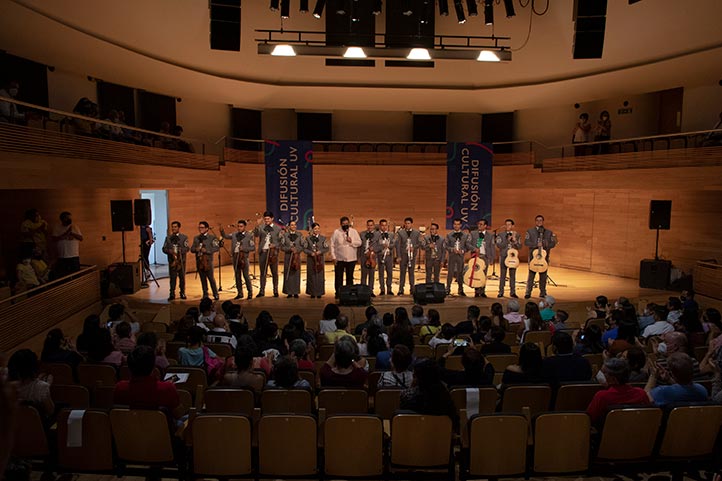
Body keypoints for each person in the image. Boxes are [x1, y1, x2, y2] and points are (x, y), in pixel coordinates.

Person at [113, 345, 184, 420]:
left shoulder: (119, 388)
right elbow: (179, 414)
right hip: (161, 431)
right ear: (153, 366)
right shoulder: (167, 388)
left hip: (128, 430)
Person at [586, 357, 650, 425]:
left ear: (613, 379)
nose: (601, 374)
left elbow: (589, 419)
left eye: (604, 372)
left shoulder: (601, 396)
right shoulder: (641, 394)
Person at [8, 349, 54, 419]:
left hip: (15, 427)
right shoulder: (42, 387)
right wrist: (47, 386)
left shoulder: (7, 388)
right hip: (38, 428)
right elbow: (50, 411)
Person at [524, 215, 557, 299]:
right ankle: (528, 292)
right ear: (535, 222)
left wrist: (545, 244)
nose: (539, 222)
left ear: (543, 221)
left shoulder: (548, 232)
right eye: (537, 220)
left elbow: (553, 243)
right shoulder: (530, 231)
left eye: (541, 220)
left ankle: (543, 292)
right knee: (531, 276)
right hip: (533, 257)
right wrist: (536, 244)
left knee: (543, 276)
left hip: (544, 258)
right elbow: (526, 242)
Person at [220, 220, 254, 300]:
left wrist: (244, 248)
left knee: (246, 276)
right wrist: (221, 231)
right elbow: (225, 236)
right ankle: (240, 293)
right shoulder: (234, 234)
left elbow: (252, 248)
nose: (239, 228)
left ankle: (250, 292)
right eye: (238, 226)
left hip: (244, 258)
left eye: (241, 226)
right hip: (235, 258)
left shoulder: (249, 235)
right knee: (237, 276)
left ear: (245, 227)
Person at [330, 216, 362, 298]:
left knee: (350, 277)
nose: (345, 225)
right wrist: (333, 257)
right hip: (339, 258)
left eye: (346, 223)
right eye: (343, 224)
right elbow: (332, 245)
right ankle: (338, 293)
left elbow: (359, 243)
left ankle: (348, 293)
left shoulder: (354, 231)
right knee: (338, 277)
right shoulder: (336, 232)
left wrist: (352, 241)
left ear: (349, 224)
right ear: (340, 224)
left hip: (351, 259)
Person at [253, 211, 283, 297]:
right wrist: (257, 225)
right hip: (263, 252)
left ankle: (275, 290)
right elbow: (256, 235)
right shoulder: (261, 227)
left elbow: (281, 241)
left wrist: (275, 245)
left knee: (274, 272)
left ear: (272, 219)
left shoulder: (278, 228)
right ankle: (262, 291)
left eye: (268, 219)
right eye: (265, 219)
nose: (266, 220)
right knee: (263, 273)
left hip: (273, 253)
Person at [191, 221, 220, 300]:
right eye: (199, 227)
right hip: (199, 261)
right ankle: (205, 294)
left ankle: (215, 293)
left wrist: (207, 250)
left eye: (202, 227)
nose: (200, 229)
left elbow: (216, 248)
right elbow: (192, 249)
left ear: (207, 228)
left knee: (211, 278)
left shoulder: (212, 238)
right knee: (202, 279)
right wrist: (196, 249)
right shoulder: (196, 238)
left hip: (208, 262)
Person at [162, 220, 189, 301]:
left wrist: (181, 250)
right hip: (172, 262)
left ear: (179, 228)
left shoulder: (184, 237)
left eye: (175, 227)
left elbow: (187, 248)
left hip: (181, 261)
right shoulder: (168, 238)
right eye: (172, 227)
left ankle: (182, 292)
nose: (173, 228)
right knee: (173, 278)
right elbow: (164, 248)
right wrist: (168, 251)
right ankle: (172, 293)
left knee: (182, 277)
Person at [51, 211, 83, 278]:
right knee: (63, 275)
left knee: (76, 275)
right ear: (62, 219)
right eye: (67, 218)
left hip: (74, 255)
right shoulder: (57, 227)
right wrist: (65, 234)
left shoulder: (74, 226)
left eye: (70, 218)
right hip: (62, 256)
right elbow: (53, 239)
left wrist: (72, 233)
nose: (70, 220)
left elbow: (81, 238)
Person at [468, 219, 495, 298]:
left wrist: (492, 259)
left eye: (481, 224)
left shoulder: (490, 235)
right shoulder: (473, 233)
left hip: (485, 257)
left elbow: (492, 247)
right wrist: (474, 249)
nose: (479, 225)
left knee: (484, 274)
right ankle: (476, 291)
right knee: (476, 273)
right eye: (478, 224)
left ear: (485, 226)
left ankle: (482, 291)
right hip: (476, 256)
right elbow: (468, 244)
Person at [445, 218, 472, 296]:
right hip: (452, 256)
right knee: (450, 273)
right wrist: (452, 249)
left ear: (460, 225)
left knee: (460, 273)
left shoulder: (465, 235)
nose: (456, 226)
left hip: (460, 256)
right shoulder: (449, 235)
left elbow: (467, 246)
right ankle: (448, 289)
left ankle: (460, 289)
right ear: (453, 225)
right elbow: (446, 246)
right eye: (455, 224)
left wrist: (462, 251)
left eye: (458, 224)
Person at [395, 217, 421, 296]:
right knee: (402, 273)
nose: (407, 225)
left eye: (408, 223)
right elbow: (398, 245)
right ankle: (401, 289)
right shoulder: (400, 233)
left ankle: (412, 289)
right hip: (403, 255)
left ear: (411, 224)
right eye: (406, 223)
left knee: (411, 273)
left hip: (412, 255)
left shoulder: (416, 233)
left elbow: (419, 243)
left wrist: (414, 247)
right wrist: (398, 256)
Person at [496, 218, 521, 298]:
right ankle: (501, 292)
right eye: (506, 225)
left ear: (513, 226)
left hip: (513, 258)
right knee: (503, 275)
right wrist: (507, 241)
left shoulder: (517, 235)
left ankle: (512, 292)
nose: (507, 226)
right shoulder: (500, 235)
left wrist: (515, 241)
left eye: (509, 225)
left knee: (512, 275)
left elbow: (520, 246)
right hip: (503, 256)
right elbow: (499, 245)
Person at [302, 222, 329, 298]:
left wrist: (320, 251)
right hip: (311, 259)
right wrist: (311, 253)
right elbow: (304, 248)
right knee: (311, 275)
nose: (317, 230)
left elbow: (327, 248)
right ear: (312, 229)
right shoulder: (307, 238)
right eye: (315, 229)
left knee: (320, 276)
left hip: (320, 259)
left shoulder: (323, 238)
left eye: (318, 228)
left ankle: (320, 292)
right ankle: (312, 292)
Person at [278, 220, 303, 298]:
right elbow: (282, 247)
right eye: (292, 225)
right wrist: (289, 249)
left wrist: (297, 250)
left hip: (296, 257)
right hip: (288, 257)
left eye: (295, 225)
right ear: (289, 226)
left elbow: (303, 245)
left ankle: (296, 292)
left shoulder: (300, 235)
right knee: (288, 273)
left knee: (296, 273)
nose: (294, 226)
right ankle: (289, 292)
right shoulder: (285, 235)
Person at [374, 218, 396, 295]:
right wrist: (382, 246)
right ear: (380, 226)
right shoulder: (376, 234)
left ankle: (389, 289)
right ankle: (382, 289)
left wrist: (389, 245)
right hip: (380, 256)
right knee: (381, 273)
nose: (384, 227)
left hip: (389, 256)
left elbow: (394, 244)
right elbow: (374, 245)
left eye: (385, 225)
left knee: (390, 273)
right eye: (382, 225)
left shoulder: (391, 234)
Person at [359, 219, 379, 295]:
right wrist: (359, 257)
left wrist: (374, 249)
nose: (370, 227)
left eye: (371, 225)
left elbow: (380, 246)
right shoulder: (362, 234)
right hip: (364, 256)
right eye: (368, 225)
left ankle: (370, 291)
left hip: (373, 257)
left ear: (373, 226)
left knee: (371, 274)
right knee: (363, 274)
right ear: (366, 226)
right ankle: (363, 290)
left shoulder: (378, 234)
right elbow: (359, 247)